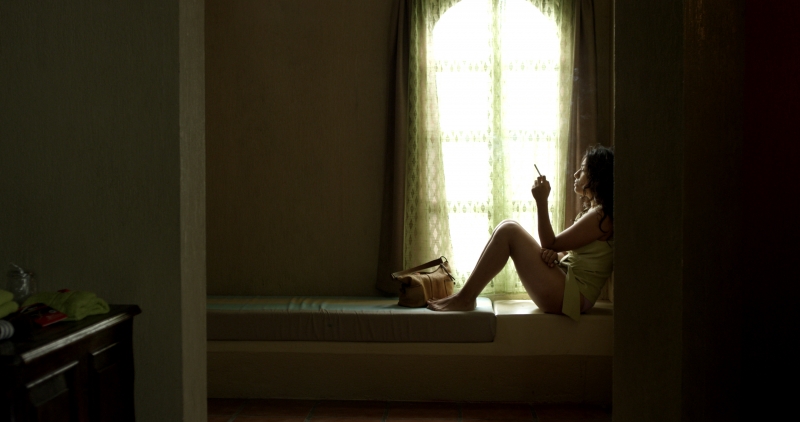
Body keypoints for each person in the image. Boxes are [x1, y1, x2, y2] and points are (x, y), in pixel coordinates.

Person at [427, 145, 614, 321]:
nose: (576, 174)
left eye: (583, 170)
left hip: (573, 296)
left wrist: (542, 201)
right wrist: (556, 256)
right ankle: (465, 297)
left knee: (509, 230)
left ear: (597, 176)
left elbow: (550, 242)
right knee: (508, 226)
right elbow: (571, 252)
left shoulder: (601, 215)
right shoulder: (596, 213)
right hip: (570, 288)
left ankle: (465, 298)